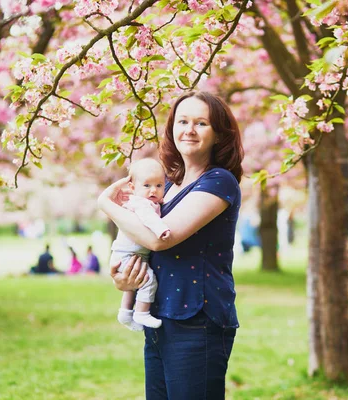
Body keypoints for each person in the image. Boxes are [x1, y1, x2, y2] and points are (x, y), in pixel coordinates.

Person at [98, 91, 244, 400]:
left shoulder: (219, 181)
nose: (189, 130)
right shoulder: (169, 184)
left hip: (197, 321)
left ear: (218, 134)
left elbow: (158, 238)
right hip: (160, 316)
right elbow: (141, 241)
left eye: (201, 123)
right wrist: (126, 279)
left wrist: (105, 204)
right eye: (183, 121)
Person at [110, 158, 171, 330]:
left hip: (129, 253)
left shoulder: (148, 202)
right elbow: (149, 219)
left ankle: (125, 312)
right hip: (128, 254)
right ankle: (141, 313)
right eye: (147, 186)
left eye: (159, 186)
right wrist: (161, 230)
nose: (154, 190)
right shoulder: (141, 204)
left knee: (133, 282)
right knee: (147, 280)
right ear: (132, 187)